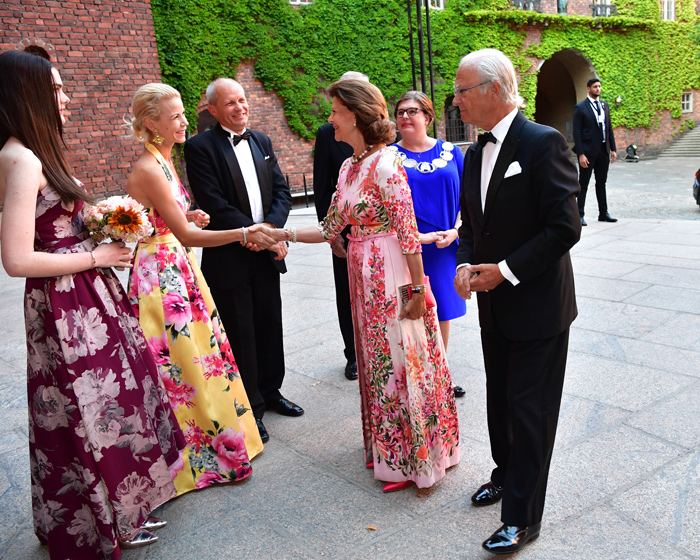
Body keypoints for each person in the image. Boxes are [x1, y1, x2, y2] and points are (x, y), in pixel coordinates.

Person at [0, 50, 185, 558]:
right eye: (56, 90)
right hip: (64, 307)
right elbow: (16, 258)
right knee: (87, 409)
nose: (65, 98)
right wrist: (96, 255)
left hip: (85, 296)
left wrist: (103, 222)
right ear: (27, 95)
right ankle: (106, 520)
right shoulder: (20, 157)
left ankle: (121, 508)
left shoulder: (37, 152)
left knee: (107, 404)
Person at [264, 79, 460, 493]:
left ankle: (416, 459)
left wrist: (415, 294)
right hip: (363, 277)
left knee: (403, 360)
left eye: (334, 111)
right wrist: (282, 235)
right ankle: (391, 450)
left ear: (353, 114)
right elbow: (331, 226)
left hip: (392, 273)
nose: (330, 119)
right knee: (378, 362)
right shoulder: (349, 166)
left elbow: (408, 237)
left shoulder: (388, 165)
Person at [453, 49, 580, 554]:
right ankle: (507, 476)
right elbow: (471, 226)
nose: (455, 99)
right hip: (493, 307)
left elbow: (564, 228)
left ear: (494, 91)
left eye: (462, 90)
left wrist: (502, 273)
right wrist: (465, 264)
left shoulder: (543, 142)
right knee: (501, 400)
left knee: (529, 409)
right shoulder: (471, 153)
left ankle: (523, 518)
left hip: (539, 307)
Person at [126, 83, 273, 494]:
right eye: (174, 117)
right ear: (151, 123)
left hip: (176, 267)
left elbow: (170, 221)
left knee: (198, 358)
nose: (185, 121)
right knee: (182, 365)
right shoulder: (150, 168)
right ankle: (196, 458)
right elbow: (185, 236)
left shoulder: (165, 161)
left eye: (182, 114)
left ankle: (216, 443)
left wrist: (188, 215)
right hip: (161, 277)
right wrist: (243, 231)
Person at [183, 78, 302, 444]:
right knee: (241, 333)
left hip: (264, 252)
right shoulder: (199, 147)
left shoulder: (262, 141)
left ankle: (272, 391)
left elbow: (282, 190)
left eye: (243, 100)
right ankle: (250, 406)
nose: (240, 107)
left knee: (270, 323)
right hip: (229, 255)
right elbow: (212, 201)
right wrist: (252, 233)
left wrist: (270, 230)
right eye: (230, 103)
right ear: (213, 109)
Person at [391, 90, 467, 399]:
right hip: (408, 247)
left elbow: (469, 200)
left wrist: (458, 230)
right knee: (413, 309)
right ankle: (415, 376)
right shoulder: (389, 157)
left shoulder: (452, 153)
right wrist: (416, 237)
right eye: (400, 113)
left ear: (428, 116)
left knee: (443, 310)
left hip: (446, 245)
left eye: (412, 111)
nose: (405, 117)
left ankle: (439, 372)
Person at [313, 71, 369, 381]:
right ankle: (353, 354)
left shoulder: (381, 136)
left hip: (377, 235)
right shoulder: (327, 134)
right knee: (345, 293)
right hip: (344, 230)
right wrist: (330, 232)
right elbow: (323, 186)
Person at [572, 77, 618, 225]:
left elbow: (609, 128)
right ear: (588, 89)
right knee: (583, 183)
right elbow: (577, 132)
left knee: (601, 183)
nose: (598, 89)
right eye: (595, 87)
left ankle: (603, 213)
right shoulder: (580, 108)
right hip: (588, 152)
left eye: (599, 86)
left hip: (603, 151)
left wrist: (613, 149)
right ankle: (579, 214)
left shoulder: (605, 106)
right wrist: (581, 154)